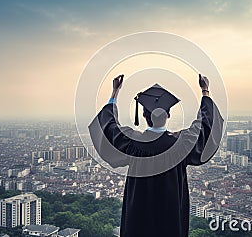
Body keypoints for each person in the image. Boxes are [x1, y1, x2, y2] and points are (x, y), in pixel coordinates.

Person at [89, 74, 224, 237]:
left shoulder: (132, 142)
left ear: (145, 116)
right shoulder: (182, 144)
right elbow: (205, 126)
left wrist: (114, 93)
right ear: (168, 115)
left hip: (138, 219)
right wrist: (205, 91)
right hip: (170, 219)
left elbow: (108, 127)